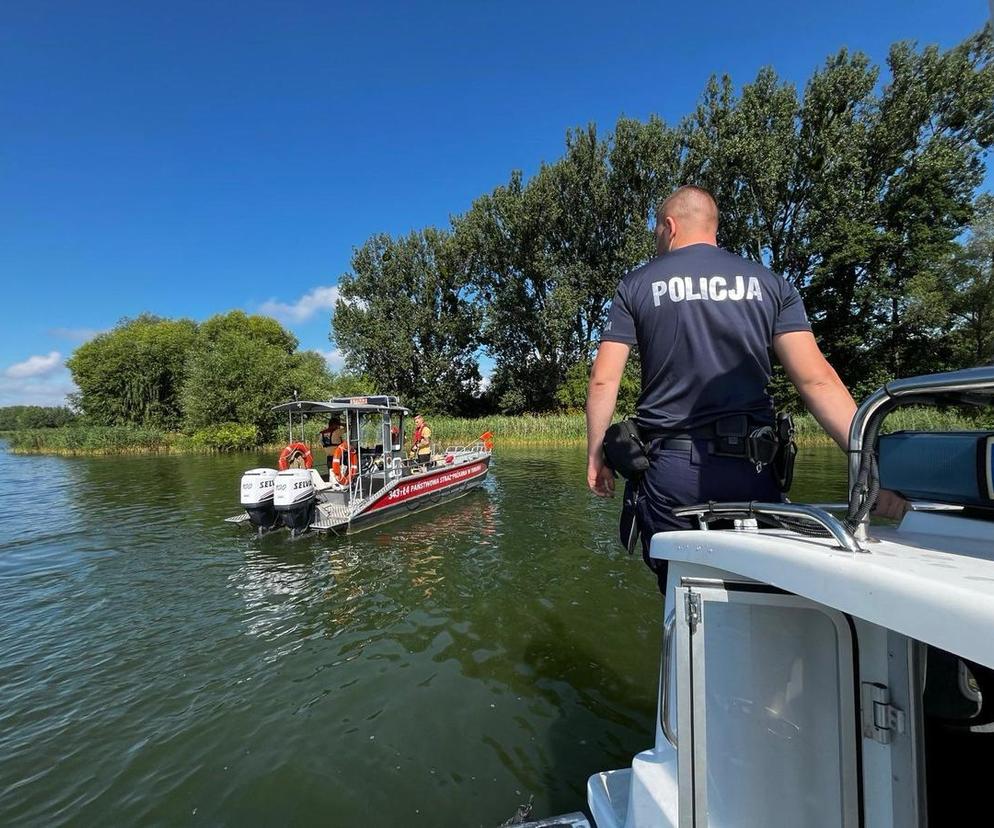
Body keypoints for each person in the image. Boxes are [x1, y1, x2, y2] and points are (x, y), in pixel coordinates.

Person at [586, 185, 904, 594]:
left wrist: (597, 455)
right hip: (755, 469)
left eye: (657, 234)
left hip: (673, 472)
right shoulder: (771, 284)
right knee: (756, 594)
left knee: (686, 598)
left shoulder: (637, 285)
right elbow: (817, 381)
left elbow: (603, 379)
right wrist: (870, 471)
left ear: (670, 227)